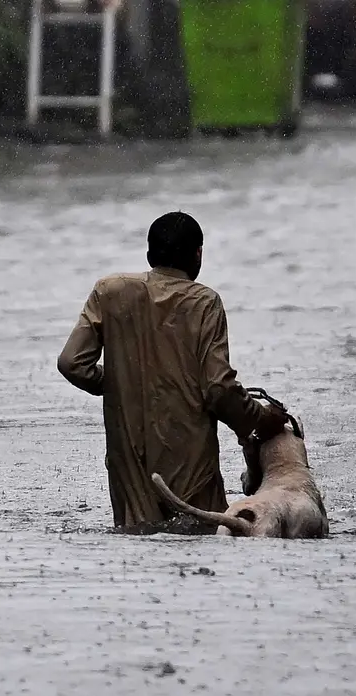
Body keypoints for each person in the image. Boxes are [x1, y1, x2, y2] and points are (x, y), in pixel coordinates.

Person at [56, 211, 288, 530]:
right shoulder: (205, 302)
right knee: (200, 537)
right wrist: (262, 419)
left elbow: (72, 363)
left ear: (150, 254)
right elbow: (219, 390)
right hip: (191, 469)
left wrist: (123, 382)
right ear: (198, 255)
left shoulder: (109, 292)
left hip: (129, 468)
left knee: (138, 544)